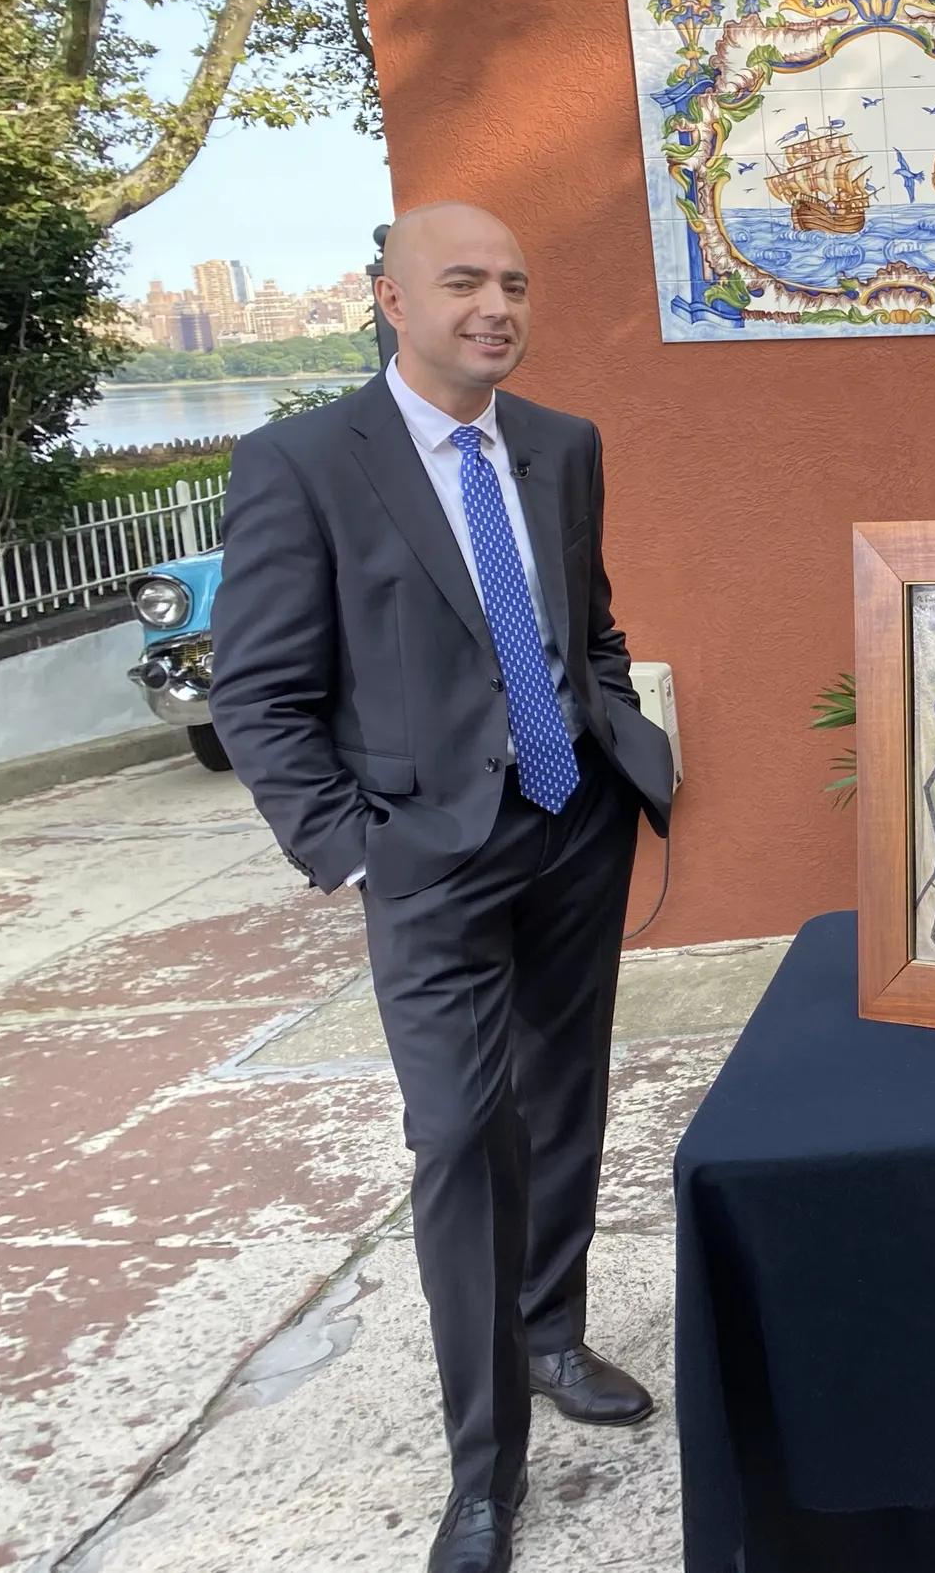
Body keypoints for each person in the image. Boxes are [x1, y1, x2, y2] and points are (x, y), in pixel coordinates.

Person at [210, 202, 679, 1573]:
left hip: (572, 822)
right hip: (425, 858)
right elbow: (258, 690)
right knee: (467, 1136)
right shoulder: (304, 461)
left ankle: (551, 1332)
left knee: (567, 1094)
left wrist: (612, 736)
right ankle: (485, 1471)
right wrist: (355, 848)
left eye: (514, 284)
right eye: (463, 281)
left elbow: (586, 623)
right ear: (392, 299)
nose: (496, 307)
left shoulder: (561, 444)